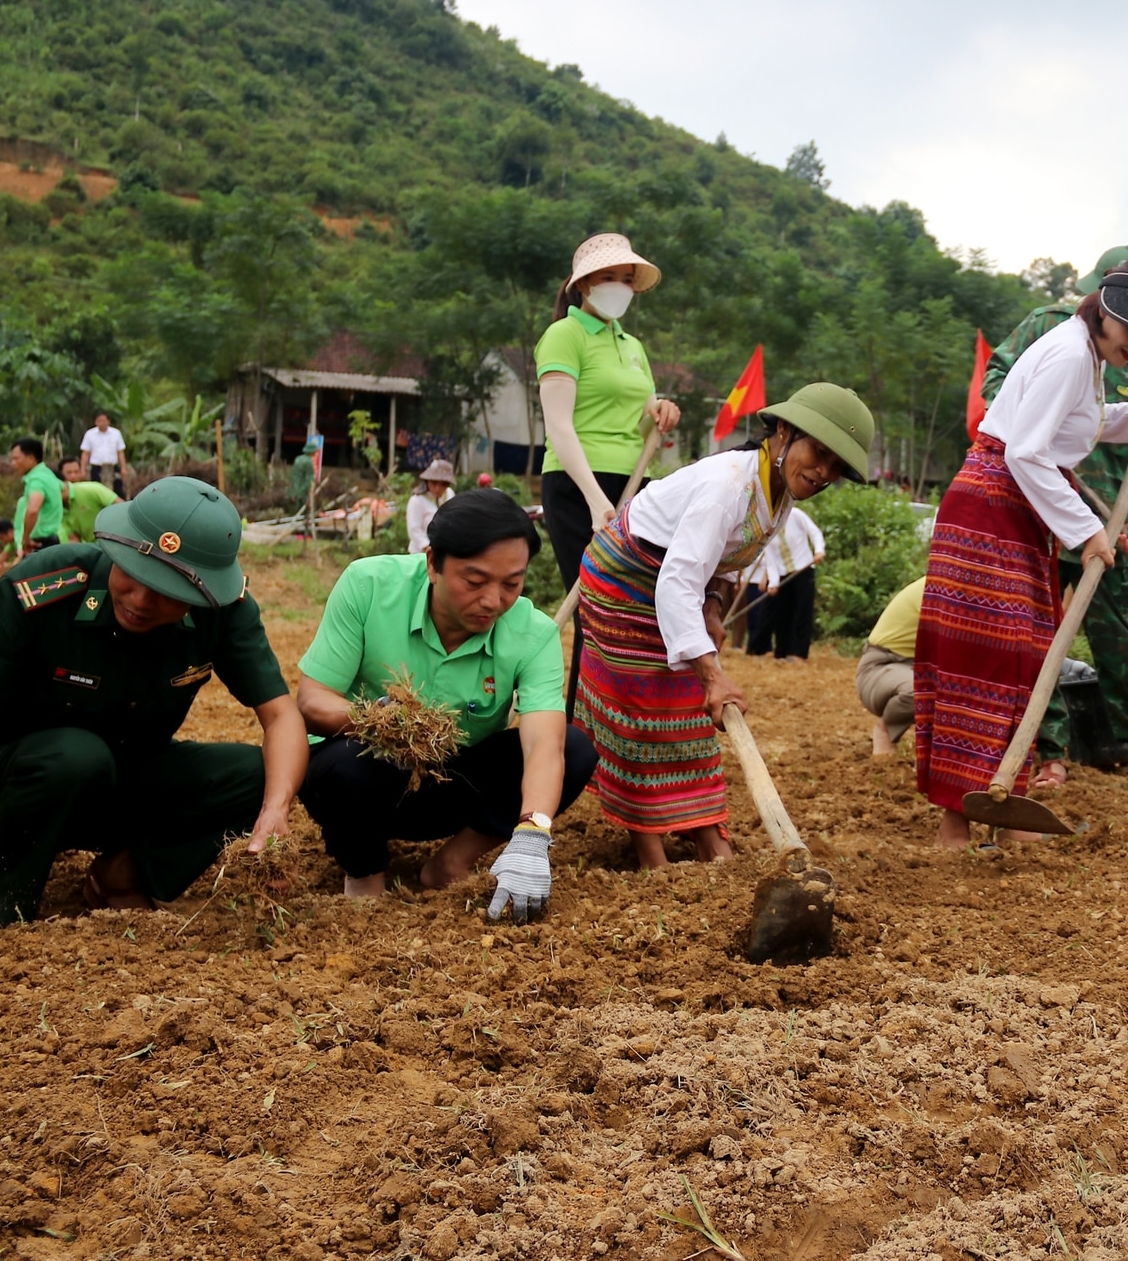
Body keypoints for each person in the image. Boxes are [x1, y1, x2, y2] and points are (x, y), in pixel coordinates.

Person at [0, 477, 307, 938]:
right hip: (14, 784)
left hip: (126, 778)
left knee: (258, 773)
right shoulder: (41, 588)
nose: (140, 601)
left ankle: (123, 873)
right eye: (132, 575)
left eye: (166, 591)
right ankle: (1, 897)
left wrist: (276, 809)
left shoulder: (225, 611)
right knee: (76, 755)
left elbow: (281, 716)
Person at [915, 256, 1128, 846]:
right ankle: (956, 822)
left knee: (1025, 657)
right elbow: (1026, 452)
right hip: (991, 508)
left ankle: (1007, 803)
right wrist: (1087, 531)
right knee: (986, 657)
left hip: (1017, 512)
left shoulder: (1087, 355)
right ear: (1106, 308)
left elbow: (1065, 427)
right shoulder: (1066, 353)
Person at [577, 383, 872, 869]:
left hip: (676, 580)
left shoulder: (778, 494)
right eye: (820, 454)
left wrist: (712, 605)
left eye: (837, 468)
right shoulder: (729, 485)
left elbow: (725, 560)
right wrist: (713, 675)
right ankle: (649, 845)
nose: (824, 473)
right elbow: (676, 582)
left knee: (691, 711)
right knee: (647, 704)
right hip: (623, 576)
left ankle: (706, 832)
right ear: (783, 431)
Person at [295, 490, 595, 917]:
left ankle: (451, 861)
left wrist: (533, 831)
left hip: (453, 786)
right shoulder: (369, 586)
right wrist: (376, 721)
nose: (493, 601)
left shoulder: (534, 633)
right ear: (433, 562)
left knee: (574, 747)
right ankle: (364, 874)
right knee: (343, 765)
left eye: (512, 583)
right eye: (475, 582)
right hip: (364, 784)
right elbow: (311, 700)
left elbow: (543, 746)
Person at [980, 245, 1128, 802]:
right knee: (1037, 633)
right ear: (1104, 298)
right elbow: (1005, 398)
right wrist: (1039, 433)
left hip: (1112, 520)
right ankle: (1048, 754)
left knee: (1124, 633)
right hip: (1043, 502)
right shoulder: (1056, 333)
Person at [535, 233, 682, 707]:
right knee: (595, 607)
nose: (618, 287)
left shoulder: (633, 345)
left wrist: (659, 411)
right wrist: (597, 501)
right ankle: (581, 726)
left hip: (634, 486)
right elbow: (558, 424)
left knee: (635, 609)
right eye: (608, 278)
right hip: (578, 486)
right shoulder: (565, 335)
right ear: (583, 285)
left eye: (625, 279)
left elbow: (639, 423)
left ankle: (623, 720)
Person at [741, 504, 825, 660]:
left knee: (801, 612)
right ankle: (781, 652)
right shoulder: (767, 527)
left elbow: (814, 532)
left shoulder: (796, 515)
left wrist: (819, 550)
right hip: (782, 574)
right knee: (781, 613)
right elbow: (771, 558)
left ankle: (798, 653)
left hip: (803, 569)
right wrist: (773, 582)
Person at [858, 576, 924, 756]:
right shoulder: (934, 590)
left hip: (917, 667)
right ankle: (884, 730)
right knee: (920, 690)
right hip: (881, 666)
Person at [9, 439, 65, 555]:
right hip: (54, 539)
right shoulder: (48, 474)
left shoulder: (36, 480)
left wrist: (25, 539)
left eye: (16, 459)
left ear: (31, 458)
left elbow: (33, 510)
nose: (13, 463)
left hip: (41, 544)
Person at [57, 457, 118, 543]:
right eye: (69, 473)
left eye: (76, 472)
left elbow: (122, 507)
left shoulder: (92, 489)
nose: (73, 476)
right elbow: (73, 539)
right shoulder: (58, 508)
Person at [405, 459, 455, 555]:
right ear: (427, 481)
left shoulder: (449, 494)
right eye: (434, 483)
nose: (437, 488)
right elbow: (414, 530)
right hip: (420, 553)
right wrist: (428, 547)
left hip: (444, 551)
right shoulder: (417, 500)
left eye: (442, 484)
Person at [78, 411, 132, 497]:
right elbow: (85, 453)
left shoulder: (116, 433)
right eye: (99, 421)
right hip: (97, 468)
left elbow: (120, 452)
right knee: (96, 491)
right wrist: (82, 469)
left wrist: (123, 468)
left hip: (112, 467)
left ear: (108, 421)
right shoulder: (90, 434)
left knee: (118, 490)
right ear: (95, 422)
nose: (101, 423)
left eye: (103, 420)